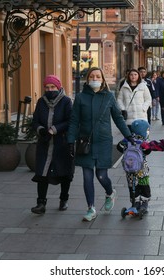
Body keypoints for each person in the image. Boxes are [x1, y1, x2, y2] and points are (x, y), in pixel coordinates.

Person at [67, 67, 134, 222]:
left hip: (103, 141)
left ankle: (110, 192)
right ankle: (90, 208)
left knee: (101, 175)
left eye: (98, 76)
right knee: (87, 176)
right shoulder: (80, 97)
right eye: (92, 76)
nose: (95, 79)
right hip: (85, 142)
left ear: (103, 79)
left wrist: (128, 136)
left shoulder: (109, 97)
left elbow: (118, 118)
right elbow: (74, 121)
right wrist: (70, 141)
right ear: (88, 78)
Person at [31, 75, 74, 214]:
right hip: (44, 143)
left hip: (62, 143)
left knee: (64, 172)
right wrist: (41, 130)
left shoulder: (66, 101)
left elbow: (70, 120)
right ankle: (41, 203)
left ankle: (63, 199)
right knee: (42, 173)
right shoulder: (41, 102)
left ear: (59, 87)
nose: (50, 90)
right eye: (47, 87)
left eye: (53, 87)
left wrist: (54, 129)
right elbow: (35, 121)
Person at [117, 119, 151, 213]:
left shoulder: (128, 139)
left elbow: (119, 147)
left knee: (132, 185)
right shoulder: (144, 141)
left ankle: (134, 202)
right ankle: (144, 202)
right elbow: (148, 151)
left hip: (129, 167)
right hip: (142, 168)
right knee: (143, 183)